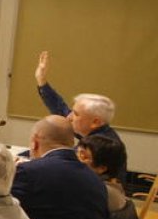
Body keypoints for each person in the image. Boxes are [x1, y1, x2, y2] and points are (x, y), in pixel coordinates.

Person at [34, 51, 126, 179]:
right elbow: (61, 110)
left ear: (95, 122)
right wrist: (42, 81)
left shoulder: (101, 145)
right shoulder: (96, 132)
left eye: (76, 114)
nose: (70, 117)